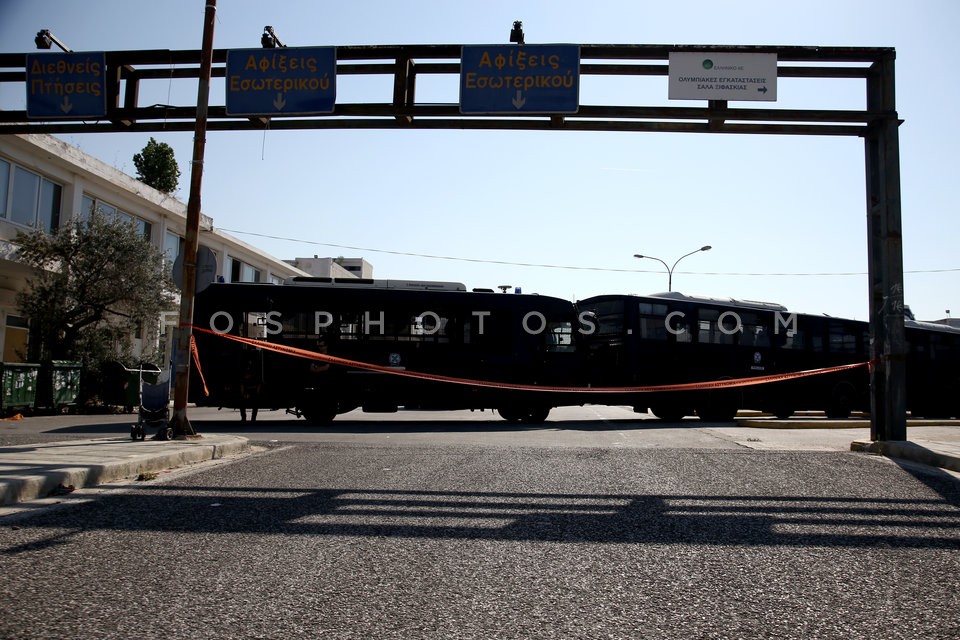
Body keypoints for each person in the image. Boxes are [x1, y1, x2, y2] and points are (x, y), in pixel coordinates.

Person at [239, 354, 262, 423]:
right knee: (242, 404)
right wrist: (243, 393)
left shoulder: (255, 375)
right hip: (247, 390)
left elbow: (258, 385)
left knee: (255, 404)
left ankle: (253, 418)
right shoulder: (244, 377)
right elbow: (242, 385)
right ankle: (244, 417)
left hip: (253, 391)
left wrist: (257, 392)